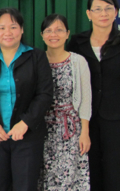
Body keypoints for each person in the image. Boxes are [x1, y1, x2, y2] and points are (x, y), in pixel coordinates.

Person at [67, 0, 120, 191]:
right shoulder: (77, 42)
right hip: (85, 120)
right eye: (97, 9)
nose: (103, 13)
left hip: (118, 119)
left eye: (108, 8)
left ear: (116, 12)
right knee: (89, 174)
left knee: (114, 174)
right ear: (89, 14)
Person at [0, 7, 53, 191]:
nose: (7, 32)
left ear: (21, 29)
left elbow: (45, 94)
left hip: (28, 136)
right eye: (2, 27)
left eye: (13, 27)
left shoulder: (37, 57)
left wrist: (25, 122)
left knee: (26, 186)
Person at [38, 14, 91, 190]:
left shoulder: (78, 61)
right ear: (42, 35)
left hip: (70, 131)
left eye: (59, 30)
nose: (54, 34)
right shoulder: (36, 60)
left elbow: (85, 100)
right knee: (43, 177)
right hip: (42, 129)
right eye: (49, 30)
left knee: (69, 179)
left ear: (67, 34)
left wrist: (85, 133)